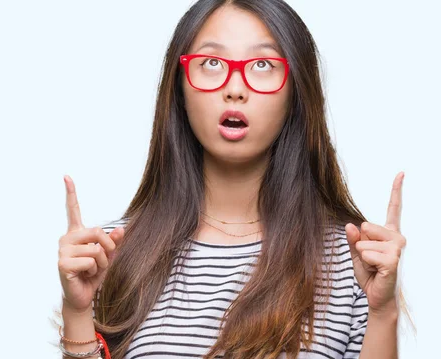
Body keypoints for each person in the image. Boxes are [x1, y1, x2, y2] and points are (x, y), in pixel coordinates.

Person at [55, 0, 409, 358]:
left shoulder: (352, 260)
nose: (235, 88)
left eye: (262, 64)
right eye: (211, 63)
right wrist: (78, 312)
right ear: (179, 87)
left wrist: (384, 312)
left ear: (295, 91)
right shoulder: (115, 252)